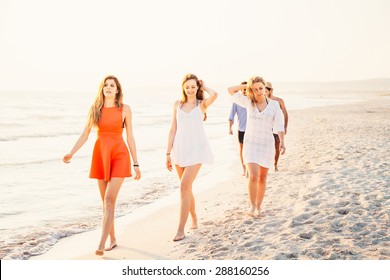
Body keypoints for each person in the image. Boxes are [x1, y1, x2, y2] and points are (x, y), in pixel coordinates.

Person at [63, 75, 141, 256]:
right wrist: (71, 152)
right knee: (106, 204)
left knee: (109, 200)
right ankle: (112, 239)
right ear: (102, 89)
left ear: (117, 90)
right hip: (101, 156)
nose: (108, 88)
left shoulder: (125, 109)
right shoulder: (95, 109)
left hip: (120, 155)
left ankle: (101, 243)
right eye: (105, 85)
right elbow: (85, 134)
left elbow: (130, 137)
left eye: (112, 85)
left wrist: (136, 163)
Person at [166, 74, 218, 241]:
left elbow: (215, 94)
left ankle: (180, 229)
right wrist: (168, 153)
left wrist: (205, 86)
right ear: (183, 88)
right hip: (179, 150)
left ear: (197, 87)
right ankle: (194, 216)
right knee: (186, 188)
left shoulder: (201, 104)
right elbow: (172, 129)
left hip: (196, 150)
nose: (190, 89)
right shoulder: (177, 105)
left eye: (193, 86)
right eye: (187, 87)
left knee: (183, 187)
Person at [228, 76, 285, 217]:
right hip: (251, 143)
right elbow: (230, 90)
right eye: (255, 89)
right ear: (251, 91)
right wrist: (246, 85)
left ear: (265, 88)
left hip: (267, 143)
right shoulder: (249, 103)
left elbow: (279, 125)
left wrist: (282, 142)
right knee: (253, 176)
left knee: (262, 178)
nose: (259, 91)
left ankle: (259, 206)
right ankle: (252, 206)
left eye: (261, 88)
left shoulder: (274, 105)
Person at [265, 81, 289, 171]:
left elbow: (285, 114)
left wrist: (285, 127)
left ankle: (275, 165)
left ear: (270, 90)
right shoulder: (263, 101)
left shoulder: (279, 101)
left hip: (277, 128)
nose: (264, 93)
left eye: (266, 91)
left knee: (277, 147)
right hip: (267, 128)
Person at [228, 81, 248, 175]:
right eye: (242, 89)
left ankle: (250, 168)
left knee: (250, 149)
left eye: (246, 89)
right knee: (242, 149)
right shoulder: (236, 101)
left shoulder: (251, 100)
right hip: (241, 129)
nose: (244, 91)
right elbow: (231, 116)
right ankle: (244, 169)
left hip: (251, 130)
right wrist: (230, 128)